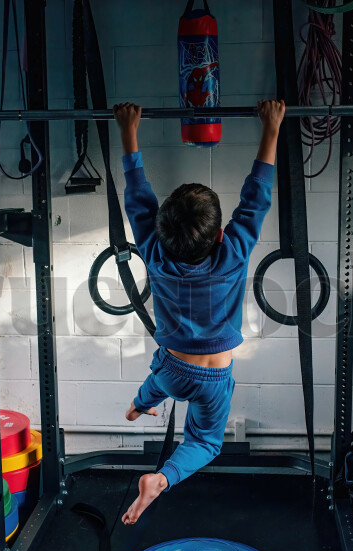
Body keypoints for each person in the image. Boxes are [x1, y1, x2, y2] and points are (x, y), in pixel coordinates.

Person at [113, 99, 285, 525]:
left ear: (160, 229)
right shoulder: (233, 253)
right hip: (213, 376)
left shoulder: (152, 250)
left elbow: (137, 199)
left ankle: (139, 404)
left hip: (174, 368)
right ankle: (161, 479)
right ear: (221, 234)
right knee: (205, 443)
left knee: (160, 373)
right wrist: (272, 127)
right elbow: (256, 199)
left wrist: (128, 130)